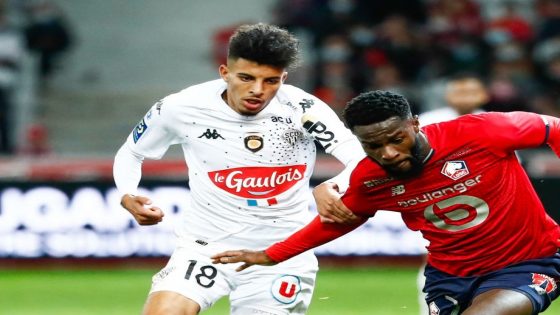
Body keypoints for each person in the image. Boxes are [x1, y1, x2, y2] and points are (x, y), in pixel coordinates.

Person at [212, 90, 560, 314]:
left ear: (415, 124)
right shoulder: (370, 178)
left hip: (530, 262)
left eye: (396, 139)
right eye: (373, 146)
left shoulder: (481, 132)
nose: (389, 153)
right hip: (449, 277)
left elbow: (554, 130)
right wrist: (271, 254)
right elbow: (342, 219)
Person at [113, 23, 365, 315]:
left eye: (271, 81)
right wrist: (127, 194)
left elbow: (358, 158)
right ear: (225, 73)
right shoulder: (180, 108)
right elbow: (132, 152)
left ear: (283, 78)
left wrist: (333, 185)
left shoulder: (303, 109)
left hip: (279, 255)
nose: (258, 90)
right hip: (204, 248)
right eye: (246, 78)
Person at [416, 72, 490, 315]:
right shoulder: (427, 121)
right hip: (437, 204)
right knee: (437, 263)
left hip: (487, 207)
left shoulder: (494, 121)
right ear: (448, 95)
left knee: (492, 265)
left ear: (483, 95)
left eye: (470, 91)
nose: (464, 97)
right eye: (459, 91)